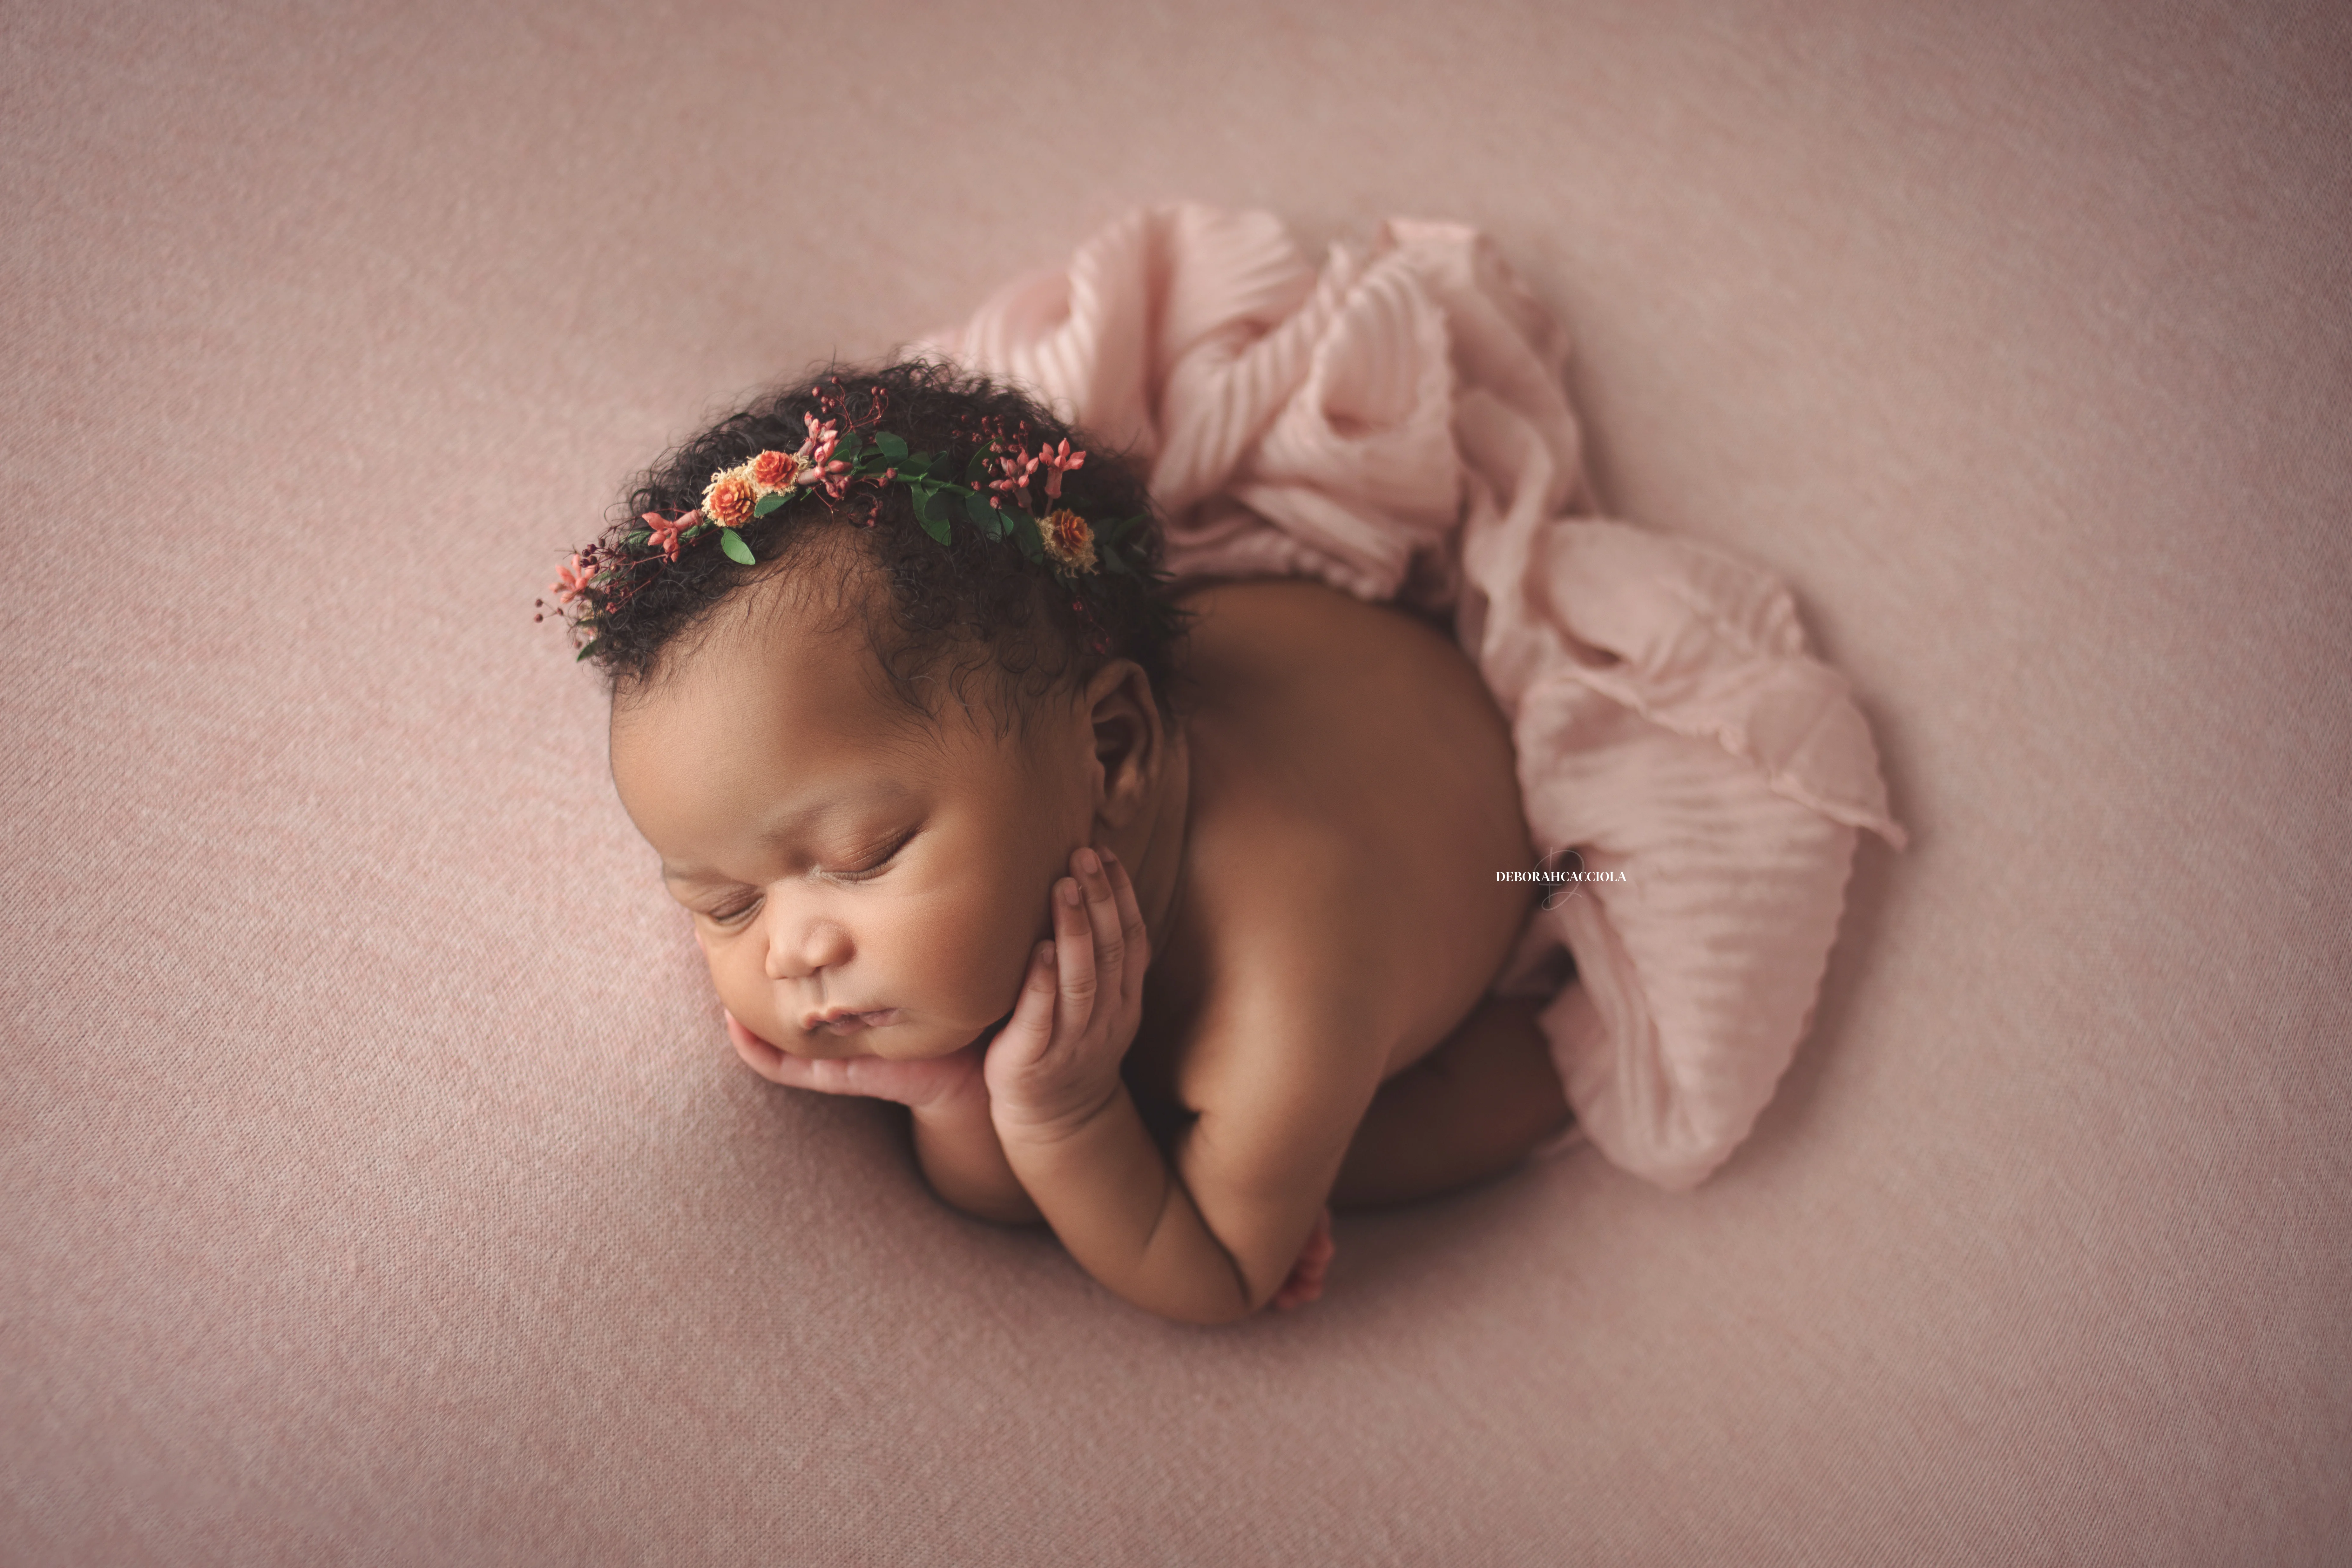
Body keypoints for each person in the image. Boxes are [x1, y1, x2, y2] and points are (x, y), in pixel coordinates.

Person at [539, 359, 1577, 1326]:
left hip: (1500, 855)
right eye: (724, 904)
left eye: (861, 856)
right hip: (1242, 692)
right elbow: (1005, 1200)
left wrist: (1069, 1116)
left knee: (1493, 1104)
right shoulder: (997, 879)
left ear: (1111, 752)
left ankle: (1521, 1068)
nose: (792, 950)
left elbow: (1218, 1277)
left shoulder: (1283, 987)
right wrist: (957, 1099)